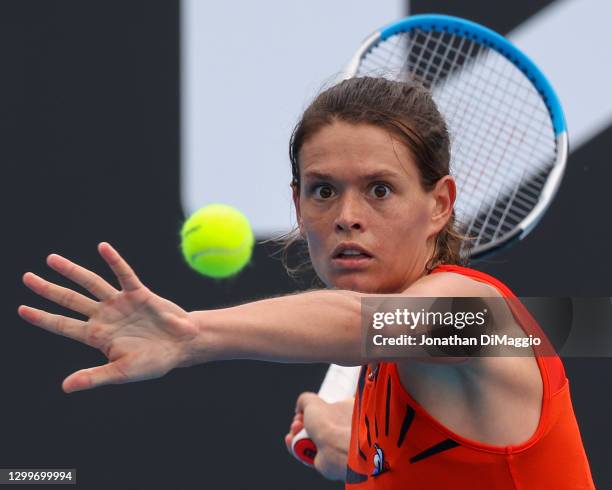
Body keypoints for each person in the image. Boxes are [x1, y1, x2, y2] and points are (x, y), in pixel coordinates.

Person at [18, 77, 593, 489]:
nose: (347, 215)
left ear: (440, 204)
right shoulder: (379, 373)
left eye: (380, 189)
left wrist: (193, 334)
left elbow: (363, 323)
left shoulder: (478, 314)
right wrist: (351, 452)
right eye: (323, 190)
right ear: (297, 204)